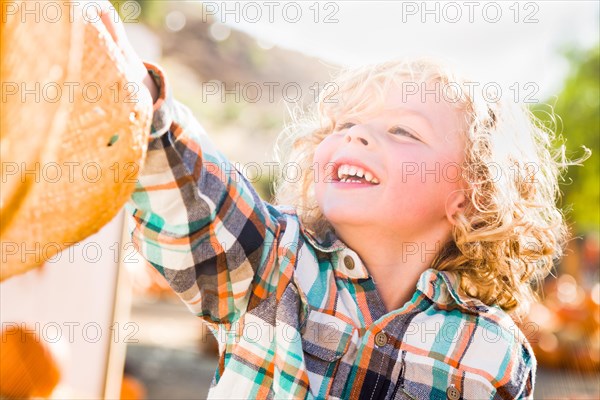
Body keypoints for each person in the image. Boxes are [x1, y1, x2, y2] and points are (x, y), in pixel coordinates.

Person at [100, 4, 571, 399]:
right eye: (343, 126)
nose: (357, 136)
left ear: (471, 196)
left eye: (401, 130)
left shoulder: (492, 352)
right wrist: (140, 96)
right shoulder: (271, 263)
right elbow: (196, 193)